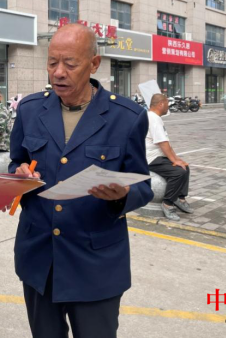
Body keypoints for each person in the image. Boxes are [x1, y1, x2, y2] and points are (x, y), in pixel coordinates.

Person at [9, 23, 153, 338]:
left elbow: (144, 185)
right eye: (52, 63)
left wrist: (122, 194)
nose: (58, 72)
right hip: (39, 258)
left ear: (94, 64)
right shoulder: (30, 110)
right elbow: (15, 161)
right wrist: (19, 173)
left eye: (70, 64)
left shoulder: (126, 117)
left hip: (95, 263)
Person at [145, 94, 193, 222]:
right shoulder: (153, 118)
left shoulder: (154, 117)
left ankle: (180, 198)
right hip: (151, 158)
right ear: (161, 104)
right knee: (178, 172)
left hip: (157, 156)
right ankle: (167, 203)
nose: (168, 107)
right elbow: (163, 143)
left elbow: (166, 145)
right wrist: (174, 160)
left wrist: (177, 159)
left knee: (184, 166)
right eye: (167, 104)